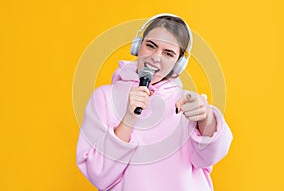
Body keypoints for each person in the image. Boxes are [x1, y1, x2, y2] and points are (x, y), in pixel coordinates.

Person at [76, 13, 233, 191]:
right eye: (151, 46)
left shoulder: (188, 103)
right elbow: (99, 174)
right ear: (137, 46)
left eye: (168, 53)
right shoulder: (104, 98)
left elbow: (209, 157)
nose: (156, 58)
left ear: (178, 63)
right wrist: (128, 117)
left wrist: (206, 118)